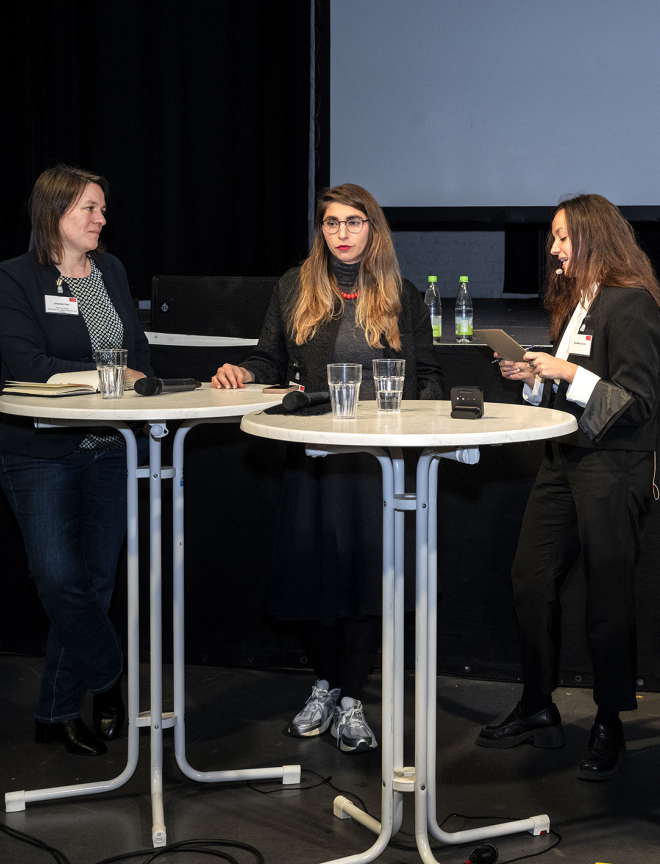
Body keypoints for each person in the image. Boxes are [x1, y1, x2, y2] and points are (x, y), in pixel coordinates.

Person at [212, 184, 442, 753]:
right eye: (332, 223)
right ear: (322, 230)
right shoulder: (294, 285)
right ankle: (326, 685)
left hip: (377, 457)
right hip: (313, 450)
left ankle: (353, 698)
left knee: (367, 575)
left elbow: (429, 375)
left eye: (353, 222)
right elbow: (268, 357)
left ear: (372, 229)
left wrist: (423, 414)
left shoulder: (402, 294)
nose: (342, 233)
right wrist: (243, 371)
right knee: (310, 573)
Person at [476, 193, 660, 781]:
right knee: (530, 579)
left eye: (563, 238)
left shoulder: (631, 302)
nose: (554, 249)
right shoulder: (574, 301)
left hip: (613, 465)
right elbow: (566, 392)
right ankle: (538, 703)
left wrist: (567, 371)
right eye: (553, 239)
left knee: (607, 596)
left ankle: (609, 722)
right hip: (563, 459)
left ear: (593, 237)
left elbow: (638, 402)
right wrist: (533, 377)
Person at [0, 165, 153, 755]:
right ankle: (109, 680)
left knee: (95, 583)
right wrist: (113, 376)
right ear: (54, 211)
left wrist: (135, 379)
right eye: (89, 208)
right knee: (60, 581)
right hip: (39, 451)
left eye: (102, 208)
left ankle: (56, 712)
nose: (101, 218)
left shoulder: (111, 272)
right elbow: (29, 366)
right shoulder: (14, 278)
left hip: (109, 447)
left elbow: (138, 356)